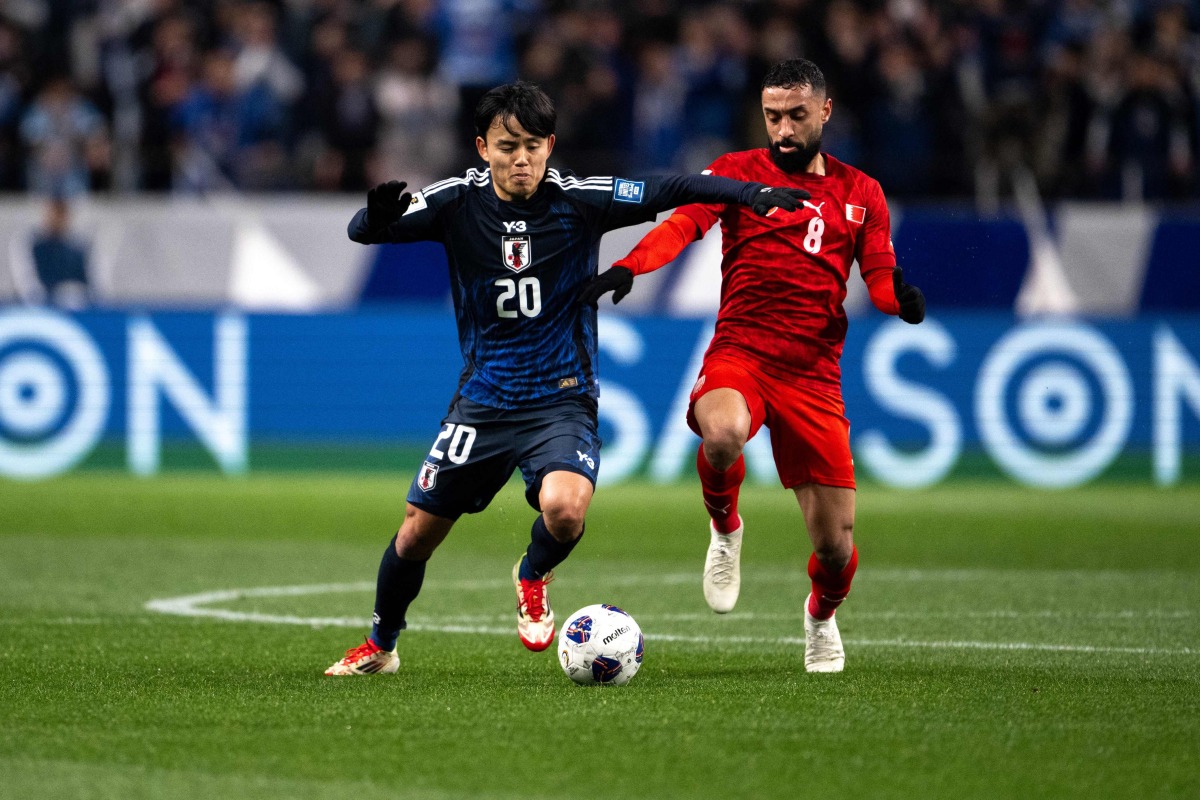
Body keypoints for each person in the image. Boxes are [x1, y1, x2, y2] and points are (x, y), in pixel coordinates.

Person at [325, 80, 810, 676]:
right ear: (482, 147)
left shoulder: (581, 199)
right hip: (482, 401)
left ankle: (532, 574)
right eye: (507, 146)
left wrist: (751, 193)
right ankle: (381, 643)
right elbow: (363, 229)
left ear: (550, 145)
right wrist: (371, 220)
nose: (521, 158)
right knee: (416, 534)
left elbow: (676, 185)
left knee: (565, 509)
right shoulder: (455, 201)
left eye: (532, 145)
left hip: (561, 400)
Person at [580, 59, 926, 673]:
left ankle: (820, 617)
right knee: (723, 432)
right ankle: (725, 527)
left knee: (837, 549)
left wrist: (901, 299)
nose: (784, 130)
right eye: (773, 117)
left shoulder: (861, 193)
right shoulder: (737, 175)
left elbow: (877, 282)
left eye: (796, 115)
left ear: (825, 110)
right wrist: (627, 268)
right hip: (741, 350)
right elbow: (684, 224)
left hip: (814, 373)